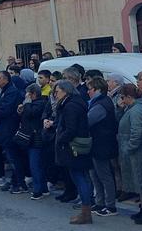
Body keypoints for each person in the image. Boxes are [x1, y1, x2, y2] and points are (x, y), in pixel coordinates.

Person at [48, 80, 93, 225]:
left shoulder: (71, 106)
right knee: (81, 177)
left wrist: (60, 139)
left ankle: (86, 212)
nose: (55, 94)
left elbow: (71, 129)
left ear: (66, 91)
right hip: (76, 144)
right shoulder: (74, 103)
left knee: (80, 177)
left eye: (58, 91)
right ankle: (86, 211)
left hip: (74, 146)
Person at [119, 83, 142, 225]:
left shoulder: (137, 110)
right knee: (140, 182)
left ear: (129, 96)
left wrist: (130, 147)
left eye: (122, 97)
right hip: (135, 151)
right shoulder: (132, 108)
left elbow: (137, 132)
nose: (121, 100)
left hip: (138, 152)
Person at [86, 76, 119, 216]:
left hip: (102, 144)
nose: (88, 92)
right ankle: (100, 202)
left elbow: (87, 121)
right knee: (95, 174)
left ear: (97, 90)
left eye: (90, 89)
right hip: (98, 143)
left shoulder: (101, 104)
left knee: (104, 175)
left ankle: (110, 205)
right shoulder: (99, 102)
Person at [0, 71, 24, 191]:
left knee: (13, 157)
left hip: (10, 128)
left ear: (6, 79)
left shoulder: (12, 92)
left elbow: (5, 109)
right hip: (0, 128)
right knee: (8, 155)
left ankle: (19, 183)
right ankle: (14, 181)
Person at [17, 83, 48, 198]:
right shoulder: (31, 104)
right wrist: (21, 109)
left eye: (28, 94)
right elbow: (24, 116)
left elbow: (31, 113)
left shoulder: (40, 103)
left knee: (35, 165)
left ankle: (38, 190)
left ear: (33, 94)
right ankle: (43, 188)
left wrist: (27, 104)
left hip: (36, 137)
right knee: (36, 164)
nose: (26, 96)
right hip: (29, 137)